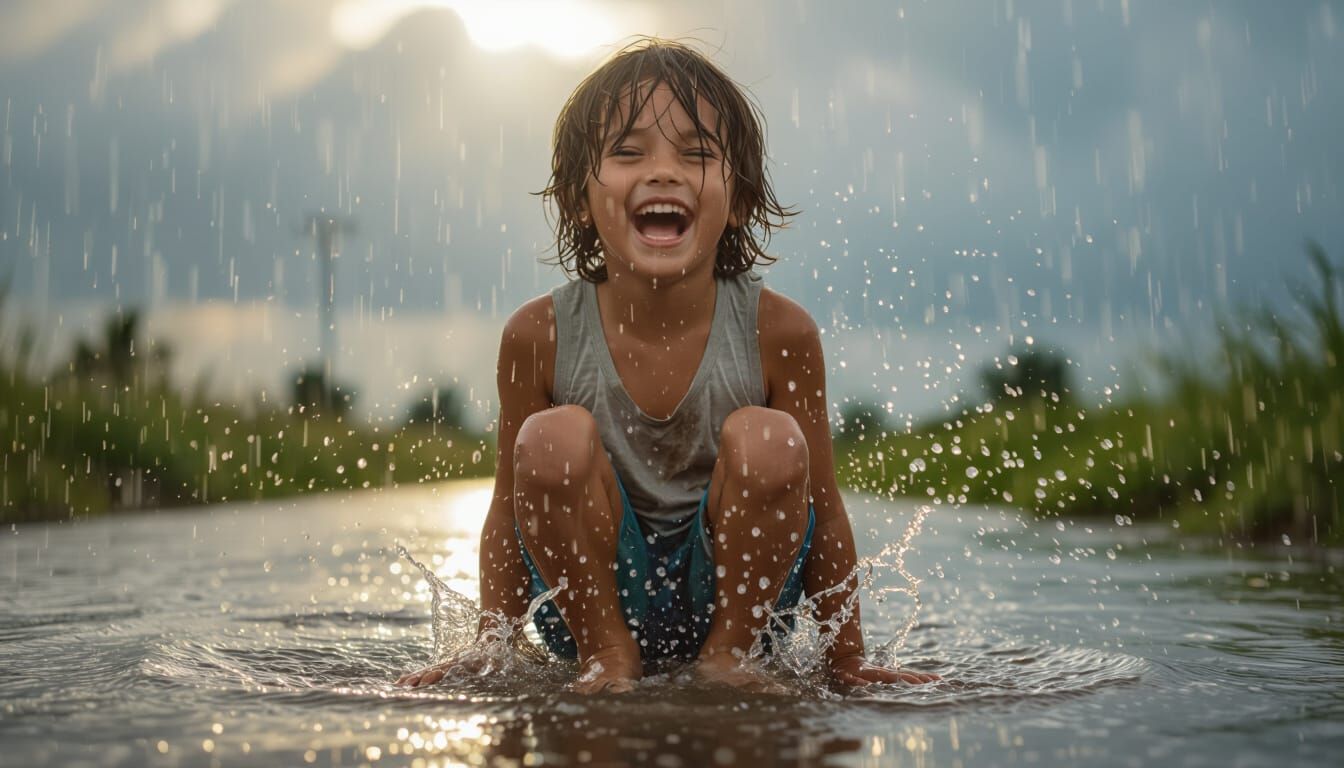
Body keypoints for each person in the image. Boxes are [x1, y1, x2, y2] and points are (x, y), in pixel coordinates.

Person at [398, 38, 939, 693]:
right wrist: (492, 649)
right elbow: (506, 513)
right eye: (628, 153)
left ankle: (727, 656)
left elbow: (822, 506)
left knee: (771, 441)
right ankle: (610, 656)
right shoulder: (537, 335)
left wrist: (847, 659)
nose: (662, 172)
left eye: (697, 154)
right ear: (578, 197)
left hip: (743, 604)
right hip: (590, 603)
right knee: (548, 441)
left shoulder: (779, 331)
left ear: (737, 200)